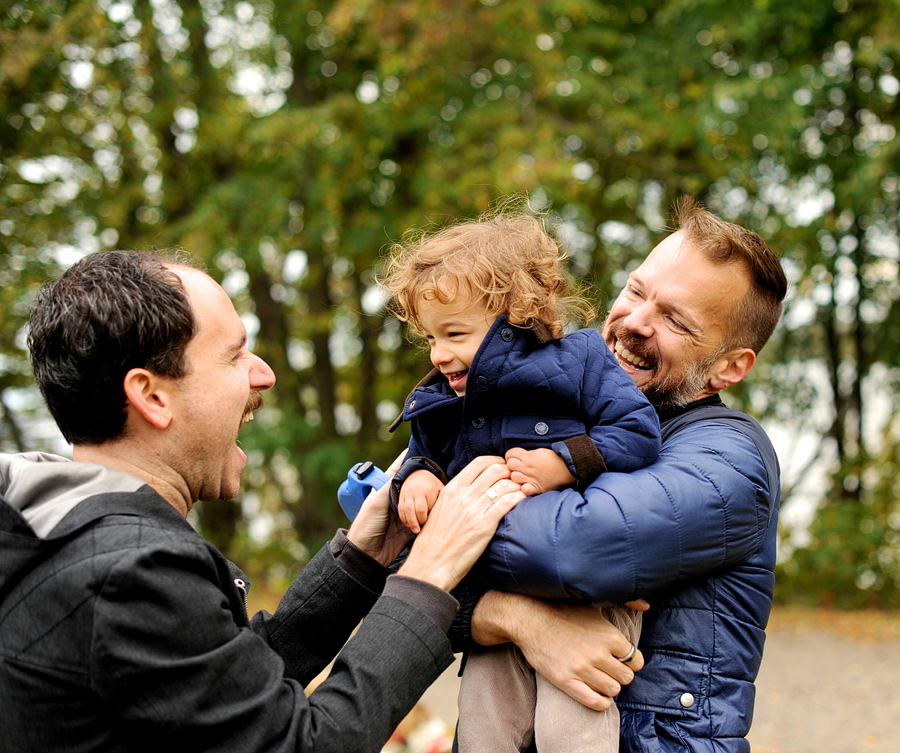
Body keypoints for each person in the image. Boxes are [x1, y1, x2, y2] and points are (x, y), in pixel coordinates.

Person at [0, 249, 528, 753]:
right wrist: (428, 574)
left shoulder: (65, 540)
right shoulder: (126, 572)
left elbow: (228, 703)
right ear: (152, 396)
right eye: (234, 356)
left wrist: (361, 561)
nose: (264, 374)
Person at [452, 196, 788, 753]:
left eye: (674, 319)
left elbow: (569, 549)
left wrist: (437, 533)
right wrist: (515, 617)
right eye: (635, 291)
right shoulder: (554, 410)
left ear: (730, 367)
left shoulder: (731, 461)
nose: (633, 322)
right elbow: (406, 601)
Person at [379, 210, 661, 753]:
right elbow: (421, 455)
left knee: (569, 731)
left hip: (585, 598)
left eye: (454, 334)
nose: (438, 355)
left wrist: (565, 462)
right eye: (430, 338)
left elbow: (637, 430)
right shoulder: (442, 399)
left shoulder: (580, 360)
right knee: (484, 730)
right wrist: (416, 479)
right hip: (498, 597)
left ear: (514, 315)